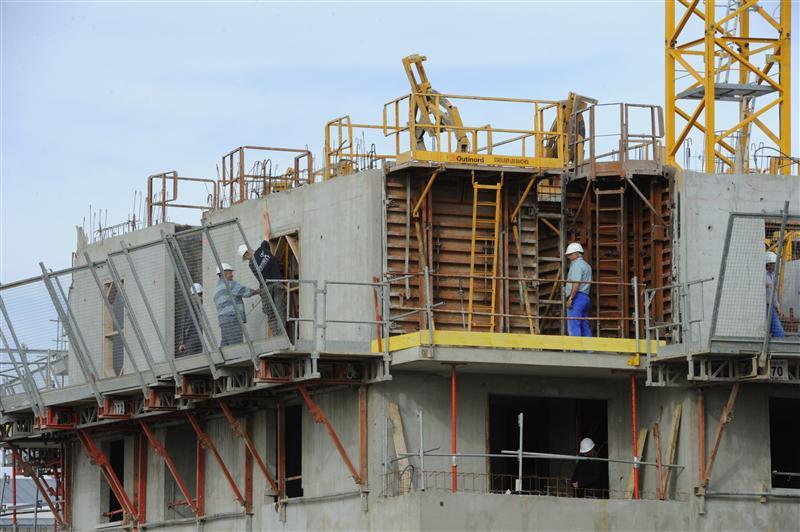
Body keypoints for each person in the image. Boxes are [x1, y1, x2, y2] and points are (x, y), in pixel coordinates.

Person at [238, 211, 287, 333]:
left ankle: (278, 336)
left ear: (245, 256)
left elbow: (260, 278)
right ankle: (282, 335)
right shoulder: (263, 248)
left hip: (266, 288)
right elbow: (267, 233)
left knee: (270, 313)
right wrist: (266, 219)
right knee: (280, 310)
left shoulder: (251, 265)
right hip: (277, 283)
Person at [214, 263, 260, 347]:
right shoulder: (229, 284)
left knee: (226, 347)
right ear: (225, 273)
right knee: (237, 347)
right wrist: (258, 291)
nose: (232, 275)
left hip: (223, 321)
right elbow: (245, 292)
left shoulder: (217, 288)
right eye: (230, 272)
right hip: (232, 320)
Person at [564, 242, 592, 337]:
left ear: (576, 254)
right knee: (584, 325)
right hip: (585, 298)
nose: (568, 257)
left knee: (573, 324)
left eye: (570, 254)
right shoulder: (587, 266)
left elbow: (576, 284)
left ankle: (575, 350)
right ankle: (589, 350)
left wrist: (570, 299)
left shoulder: (576, 265)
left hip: (577, 297)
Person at [178, 283, 204, 356]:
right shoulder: (189, 309)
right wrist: (182, 342)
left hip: (202, 337)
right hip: (191, 339)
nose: (197, 297)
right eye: (196, 295)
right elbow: (184, 325)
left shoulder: (204, 306)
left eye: (200, 294)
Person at [765, 251, 785, 338]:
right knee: (774, 329)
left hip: (770, 306)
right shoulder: (762, 274)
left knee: (777, 330)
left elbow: (774, 295)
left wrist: (778, 307)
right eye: (773, 264)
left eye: (775, 264)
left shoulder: (773, 276)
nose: (774, 266)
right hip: (763, 306)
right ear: (767, 264)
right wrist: (767, 285)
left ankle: (777, 347)